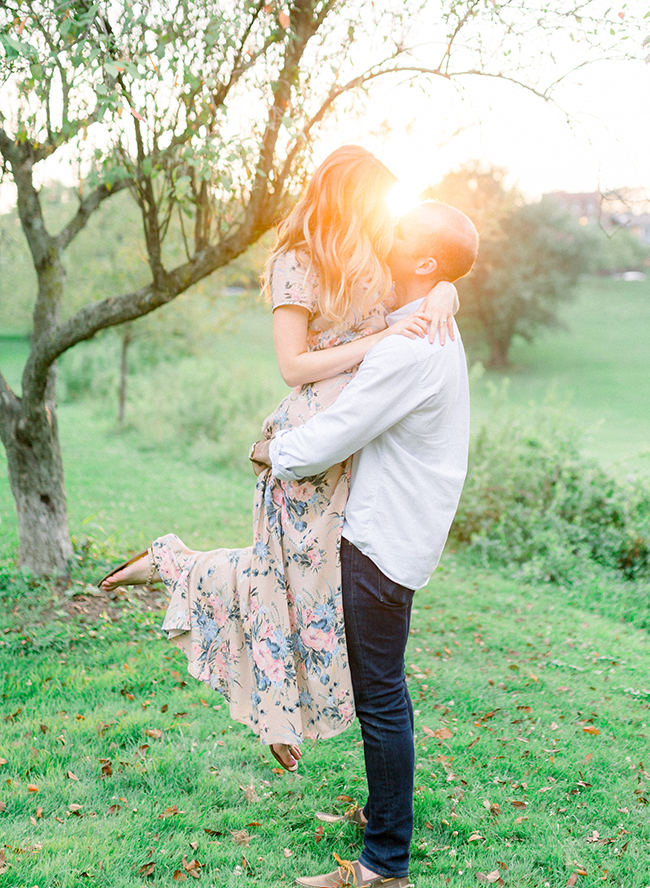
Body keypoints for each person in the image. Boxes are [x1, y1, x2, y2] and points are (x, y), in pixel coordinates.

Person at [98, 146, 459, 775]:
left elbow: (431, 276)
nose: (387, 220)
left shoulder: (373, 256)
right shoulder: (296, 263)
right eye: (379, 205)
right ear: (350, 198)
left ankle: (172, 563)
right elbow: (293, 367)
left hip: (352, 447)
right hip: (311, 439)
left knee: (311, 596)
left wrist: (446, 292)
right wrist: (375, 342)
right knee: (282, 584)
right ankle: (275, 712)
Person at [251, 200, 479, 888]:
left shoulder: (413, 347)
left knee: (381, 697)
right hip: (398, 534)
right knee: (385, 693)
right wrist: (448, 288)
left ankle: (384, 865)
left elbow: (333, 435)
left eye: (403, 229)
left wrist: (271, 451)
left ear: (424, 262)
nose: (388, 228)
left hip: (380, 540)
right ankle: (386, 844)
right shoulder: (423, 323)